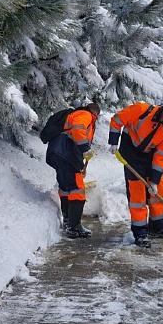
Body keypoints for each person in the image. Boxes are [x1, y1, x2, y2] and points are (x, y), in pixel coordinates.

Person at [108, 101, 163, 248]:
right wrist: (113, 141)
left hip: (149, 154)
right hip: (130, 151)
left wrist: (154, 181)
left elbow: (161, 155)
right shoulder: (141, 109)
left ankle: (157, 228)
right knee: (137, 193)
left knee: (158, 192)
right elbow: (117, 119)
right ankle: (140, 233)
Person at [45, 102, 100, 238]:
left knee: (66, 188)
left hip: (57, 152)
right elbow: (78, 129)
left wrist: (81, 161)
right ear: (95, 113)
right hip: (66, 153)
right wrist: (85, 150)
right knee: (77, 189)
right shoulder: (85, 114)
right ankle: (74, 227)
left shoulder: (74, 114)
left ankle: (68, 222)